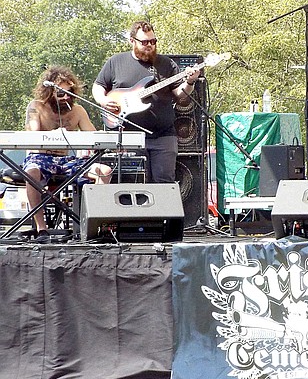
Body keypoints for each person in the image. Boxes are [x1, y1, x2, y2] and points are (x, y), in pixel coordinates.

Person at [92, 20, 200, 183]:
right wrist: (103, 100)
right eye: (144, 42)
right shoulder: (116, 62)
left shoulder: (166, 64)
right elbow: (98, 86)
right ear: (132, 41)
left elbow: (180, 94)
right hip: (127, 136)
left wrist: (190, 81)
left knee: (164, 184)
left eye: (153, 41)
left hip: (163, 136)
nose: (149, 45)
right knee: (131, 183)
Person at [22, 66, 112, 243]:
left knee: (105, 171)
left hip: (66, 160)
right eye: (60, 93)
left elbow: (94, 137)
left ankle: (94, 225)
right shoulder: (36, 107)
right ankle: (42, 229)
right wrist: (55, 133)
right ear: (49, 91)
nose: (66, 97)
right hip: (41, 158)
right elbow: (32, 135)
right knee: (31, 171)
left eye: (69, 92)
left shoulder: (78, 110)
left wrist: (112, 138)